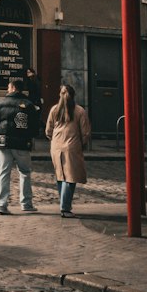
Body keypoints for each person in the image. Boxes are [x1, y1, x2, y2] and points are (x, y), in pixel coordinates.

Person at [0, 75, 39, 214]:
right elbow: (34, 125)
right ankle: (26, 203)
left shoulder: (1, 103)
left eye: (8, 87)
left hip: (4, 140)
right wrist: (30, 137)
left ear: (12, 88)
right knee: (24, 172)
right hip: (21, 141)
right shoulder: (28, 104)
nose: (7, 89)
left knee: (4, 171)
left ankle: (1, 204)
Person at [45, 83, 91, 217]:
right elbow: (85, 132)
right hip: (72, 146)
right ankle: (65, 208)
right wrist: (82, 144)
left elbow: (48, 130)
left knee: (61, 176)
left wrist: (53, 140)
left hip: (56, 147)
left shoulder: (54, 110)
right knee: (70, 178)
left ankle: (64, 204)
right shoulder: (79, 111)